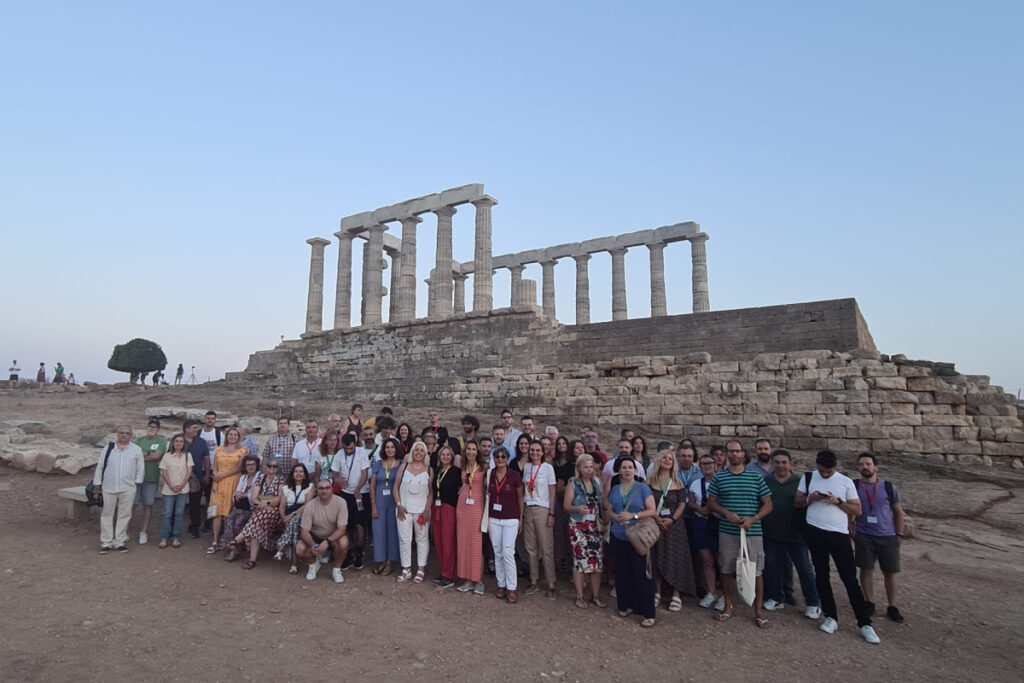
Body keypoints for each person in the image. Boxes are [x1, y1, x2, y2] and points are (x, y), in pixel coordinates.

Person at [796, 450, 879, 644]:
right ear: (817, 466)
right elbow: (798, 502)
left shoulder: (845, 481)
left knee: (849, 578)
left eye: (828, 471)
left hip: (839, 535)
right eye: (822, 470)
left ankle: (865, 623)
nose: (825, 474)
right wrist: (812, 499)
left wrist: (838, 502)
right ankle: (831, 617)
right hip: (815, 532)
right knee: (821, 575)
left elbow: (858, 509)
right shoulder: (808, 478)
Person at [707, 440, 773, 628]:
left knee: (756, 571)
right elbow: (711, 503)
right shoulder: (720, 478)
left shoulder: (756, 478)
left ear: (743, 454)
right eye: (731, 452)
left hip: (752, 530)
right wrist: (726, 513)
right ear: (727, 454)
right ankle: (728, 606)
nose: (735, 455)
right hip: (728, 531)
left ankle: (758, 610)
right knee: (727, 570)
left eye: (738, 451)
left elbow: (768, 504)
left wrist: (753, 519)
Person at [762, 449, 821, 618]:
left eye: (784, 462)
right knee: (772, 566)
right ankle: (776, 597)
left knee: (804, 568)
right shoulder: (766, 481)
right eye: (777, 462)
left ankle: (812, 602)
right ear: (772, 464)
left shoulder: (801, 481)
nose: (780, 466)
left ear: (790, 464)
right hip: (772, 532)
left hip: (796, 534)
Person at [853, 452, 906, 624]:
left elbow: (898, 511)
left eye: (868, 464)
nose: (865, 467)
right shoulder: (854, 486)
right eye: (861, 464)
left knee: (890, 572)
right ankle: (869, 601)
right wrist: (850, 530)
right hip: (864, 535)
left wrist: (899, 533)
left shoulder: (889, 487)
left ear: (876, 467)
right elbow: (849, 509)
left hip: (887, 535)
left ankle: (892, 605)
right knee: (866, 570)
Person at [608, 459, 657, 627]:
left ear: (635, 471)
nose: (627, 470)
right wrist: (616, 517)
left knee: (641, 574)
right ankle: (625, 605)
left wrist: (633, 516)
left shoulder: (643, 488)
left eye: (630, 467)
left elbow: (652, 510)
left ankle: (648, 612)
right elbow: (609, 509)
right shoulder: (615, 489)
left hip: (638, 537)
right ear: (619, 471)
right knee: (622, 573)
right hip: (619, 535)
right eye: (624, 467)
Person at [648, 448, 697, 612]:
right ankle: (657, 592)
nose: (668, 460)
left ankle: (676, 593)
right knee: (657, 556)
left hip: (675, 526)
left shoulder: (678, 481)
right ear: (659, 461)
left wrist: (673, 519)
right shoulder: (650, 482)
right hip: (656, 524)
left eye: (670, 458)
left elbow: (683, 503)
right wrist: (656, 518)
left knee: (676, 557)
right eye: (664, 458)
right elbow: (647, 502)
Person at [563, 453, 606, 608]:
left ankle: (595, 595)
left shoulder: (597, 483)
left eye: (590, 466)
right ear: (579, 468)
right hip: (579, 526)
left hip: (595, 526)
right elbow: (566, 506)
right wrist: (577, 509)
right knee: (580, 562)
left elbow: (603, 503)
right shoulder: (573, 483)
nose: (588, 469)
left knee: (597, 562)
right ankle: (580, 596)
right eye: (585, 467)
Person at [92, 426, 144, 553]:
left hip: (128, 487)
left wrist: (137, 482)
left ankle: (120, 541)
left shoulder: (136, 449)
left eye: (127, 433)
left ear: (131, 435)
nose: (124, 435)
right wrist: (97, 485)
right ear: (117, 434)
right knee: (107, 514)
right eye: (122, 433)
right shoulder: (108, 448)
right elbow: (100, 466)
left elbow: (140, 467)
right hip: (109, 486)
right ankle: (106, 542)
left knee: (124, 514)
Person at [229, 459, 285, 569]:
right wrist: (266, 503)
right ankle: (252, 560)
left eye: (275, 466)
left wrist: (263, 500)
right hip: (262, 510)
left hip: (274, 512)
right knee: (257, 526)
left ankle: (239, 539)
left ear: (278, 468)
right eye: (269, 465)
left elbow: (278, 500)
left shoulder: (281, 480)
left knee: (258, 518)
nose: (272, 468)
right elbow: (254, 498)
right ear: (266, 466)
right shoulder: (261, 479)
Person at [487, 446, 524, 603]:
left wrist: (521, 518)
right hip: (494, 518)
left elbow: (520, 497)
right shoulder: (491, 474)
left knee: (508, 552)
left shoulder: (514, 475)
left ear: (508, 458)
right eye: (497, 457)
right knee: (498, 552)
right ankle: (501, 584)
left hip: (511, 518)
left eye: (503, 456)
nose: (500, 459)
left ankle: (512, 587)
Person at [393, 441, 434, 583]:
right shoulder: (404, 467)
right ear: (412, 451)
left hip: (421, 511)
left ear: (425, 453)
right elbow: (395, 486)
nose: (418, 453)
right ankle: (406, 569)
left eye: (422, 450)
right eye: (416, 450)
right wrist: (398, 505)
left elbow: (431, 492)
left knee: (422, 539)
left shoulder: (429, 470)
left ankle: (421, 569)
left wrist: (427, 510)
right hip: (404, 510)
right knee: (404, 539)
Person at [522, 440, 558, 599]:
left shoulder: (548, 468)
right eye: (532, 450)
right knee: (531, 548)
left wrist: (552, 513)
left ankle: (551, 583)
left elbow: (552, 491)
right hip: (528, 508)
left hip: (542, 509)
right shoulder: (527, 468)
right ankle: (534, 580)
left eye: (538, 450)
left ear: (543, 452)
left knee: (546, 547)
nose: (535, 453)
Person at [296, 480, 351, 583]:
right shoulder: (310, 506)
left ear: (332, 489)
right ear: (316, 490)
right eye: (321, 488)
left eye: (327, 488)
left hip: (333, 536)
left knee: (344, 542)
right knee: (300, 549)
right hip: (315, 536)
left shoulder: (341, 502)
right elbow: (304, 532)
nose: (324, 491)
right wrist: (314, 545)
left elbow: (342, 529)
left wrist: (327, 541)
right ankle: (313, 565)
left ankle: (336, 569)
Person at [688, 455, 722, 609]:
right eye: (703, 464)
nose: (707, 466)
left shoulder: (722, 481)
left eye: (710, 463)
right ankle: (711, 592)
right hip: (701, 523)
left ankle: (724, 594)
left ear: (716, 465)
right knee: (706, 559)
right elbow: (691, 501)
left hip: (719, 522)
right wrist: (699, 509)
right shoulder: (696, 483)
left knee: (722, 560)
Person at [332, 433, 370, 570]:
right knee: (346, 525)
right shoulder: (338, 455)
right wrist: (338, 480)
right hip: (346, 494)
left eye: (351, 448)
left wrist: (359, 489)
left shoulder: (362, 453)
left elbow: (365, 474)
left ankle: (359, 553)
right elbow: (334, 473)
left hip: (361, 493)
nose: (349, 451)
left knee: (360, 524)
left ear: (356, 444)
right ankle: (348, 553)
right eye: (346, 449)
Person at [455, 440, 487, 594]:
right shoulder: (462, 466)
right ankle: (467, 579)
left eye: (474, 449)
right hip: (463, 507)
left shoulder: (484, 467)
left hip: (477, 507)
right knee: (463, 542)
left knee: (476, 544)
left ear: (478, 451)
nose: (471, 452)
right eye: (468, 449)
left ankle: (478, 580)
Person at [208, 427, 246, 553]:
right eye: (230, 434)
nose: (233, 436)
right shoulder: (219, 449)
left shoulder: (242, 450)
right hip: (218, 482)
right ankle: (214, 540)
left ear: (238, 437)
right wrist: (215, 480)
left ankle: (226, 539)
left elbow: (239, 468)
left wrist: (221, 476)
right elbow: (215, 467)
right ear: (227, 436)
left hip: (233, 481)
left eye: (235, 434)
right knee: (217, 511)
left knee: (228, 512)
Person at [370, 437, 403, 576]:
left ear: (396, 449)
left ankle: (389, 562)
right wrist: (373, 505)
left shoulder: (402, 464)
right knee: (379, 532)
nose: (390, 450)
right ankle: (381, 560)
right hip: (379, 502)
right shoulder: (378, 464)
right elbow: (372, 487)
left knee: (392, 532)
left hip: (394, 502)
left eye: (392, 447)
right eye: (387, 447)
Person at [272, 463, 314, 573]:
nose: (298, 474)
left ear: (305, 474)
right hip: (288, 514)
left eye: (301, 471)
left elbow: (307, 505)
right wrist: (284, 518)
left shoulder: (310, 487)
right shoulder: (286, 488)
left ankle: (282, 549)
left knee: (295, 522)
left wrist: (291, 516)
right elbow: (282, 507)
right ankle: (294, 565)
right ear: (292, 474)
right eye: (296, 471)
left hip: (303, 513)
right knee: (295, 530)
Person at [133, 418, 167, 545]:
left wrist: (143, 454)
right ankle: (125, 530)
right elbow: (134, 456)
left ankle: (144, 531)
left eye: (155, 427)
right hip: (136, 478)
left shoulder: (161, 441)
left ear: (158, 429)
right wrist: (149, 454)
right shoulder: (139, 440)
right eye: (150, 426)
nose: (152, 428)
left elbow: (157, 456)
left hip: (151, 478)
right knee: (133, 504)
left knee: (148, 505)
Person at [431, 445, 461, 587]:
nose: (445, 457)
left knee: (449, 543)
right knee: (439, 542)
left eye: (448, 454)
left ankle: (449, 576)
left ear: (452, 457)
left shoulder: (456, 472)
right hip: (436, 507)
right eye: (443, 454)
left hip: (449, 509)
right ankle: (443, 571)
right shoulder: (437, 471)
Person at [157, 433, 193, 548]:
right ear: (173, 443)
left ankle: (176, 537)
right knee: (167, 514)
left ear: (184, 444)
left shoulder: (187, 456)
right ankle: (164, 537)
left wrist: (181, 485)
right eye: (176, 441)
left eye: (181, 441)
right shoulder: (167, 456)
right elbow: (164, 472)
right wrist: (171, 485)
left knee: (179, 514)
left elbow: (189, 471)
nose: (178, 443)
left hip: (183, 489)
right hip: (169, 489)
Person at [222, 455, 261, 560]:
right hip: (241, 507)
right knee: (229, 518)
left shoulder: (260, 477)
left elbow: (258, 496)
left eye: (252, 464)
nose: (250, 466)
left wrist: (245, 496)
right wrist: (237, 495)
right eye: (248, 465)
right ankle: (232, 547)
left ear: (257, 465)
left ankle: (235, 548)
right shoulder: (243, 477)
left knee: (239, 520)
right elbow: (237, 491)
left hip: (253, 508)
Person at [182, 419, 211, 539]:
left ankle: (195, 527)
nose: (197, 430)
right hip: (179, 477)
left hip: (197, 477)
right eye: (194, 428)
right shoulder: (178, 440)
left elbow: (206, 459)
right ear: (186, 429)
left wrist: (207, 474)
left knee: (195, 503)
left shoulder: (201, 442)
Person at [552, 435, 574, 573]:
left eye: (563, 443)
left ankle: (570, 559)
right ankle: (561, 559)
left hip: (570, 500)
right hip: (557, 499)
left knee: (569, 531)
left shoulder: (571, 464)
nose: (561, 445)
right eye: (559, 443)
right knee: (559, 530)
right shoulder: (554, 462)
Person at [198, 411, 222, 531]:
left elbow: (221, 451)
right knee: (196, 495)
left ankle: (209, 522)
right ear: (205, 419)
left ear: (215, 420)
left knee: (210, 497)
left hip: (214, 469)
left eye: (212, 418)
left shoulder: (218, 434)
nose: (210, 420)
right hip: (199, 468)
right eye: (208, 418)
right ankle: (197, 523)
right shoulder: (199, 433)